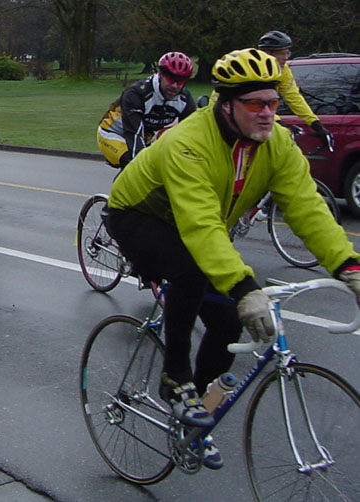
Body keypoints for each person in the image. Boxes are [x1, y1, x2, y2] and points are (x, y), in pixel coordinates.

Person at [104, 48, 360, 470]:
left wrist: (347, 266)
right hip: (138, 215)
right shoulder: (190, 142)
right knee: (190, 267)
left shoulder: (277, 142)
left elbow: (307, 208)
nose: (268, 113)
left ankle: (195, 416)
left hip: (197, 227)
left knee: (227, 322)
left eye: (273, 103)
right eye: (255, 104)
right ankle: (175, 377)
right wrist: (244, 287)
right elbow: (201, 225)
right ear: (226, 105)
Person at [97, 52, 196, 169]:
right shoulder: (137, 94)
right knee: (133, 165)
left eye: (180, 81)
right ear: (160, 74)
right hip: (113, 134)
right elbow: (135, 135)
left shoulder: (185, 100)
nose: (174, 86)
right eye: (171, 79)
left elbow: (190, 135)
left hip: (145, 137)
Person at [257, 30, 333, 149]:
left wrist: (316, 124)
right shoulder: (254, 70)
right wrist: (278, 122)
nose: (286, 58)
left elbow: (294, 97)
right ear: (267, 54)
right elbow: (257, 102)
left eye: (287, 53)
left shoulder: (283, 70)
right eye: (281, 53)